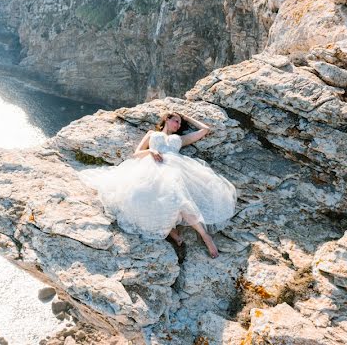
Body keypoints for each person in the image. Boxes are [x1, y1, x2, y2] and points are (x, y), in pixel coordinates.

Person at [78, 111, 237, 258]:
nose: (178, 125)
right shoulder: (152, 134)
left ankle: (205, 236)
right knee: (142, 197)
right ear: (166, 119)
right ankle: (171, 232)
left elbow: (205, 129)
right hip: (150, 168)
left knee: (179, 198)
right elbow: (136, 153)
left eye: (180, 123)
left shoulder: (180, 139)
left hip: (174, 170)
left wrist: (186, 118)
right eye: (176, 121)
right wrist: (151, 151)